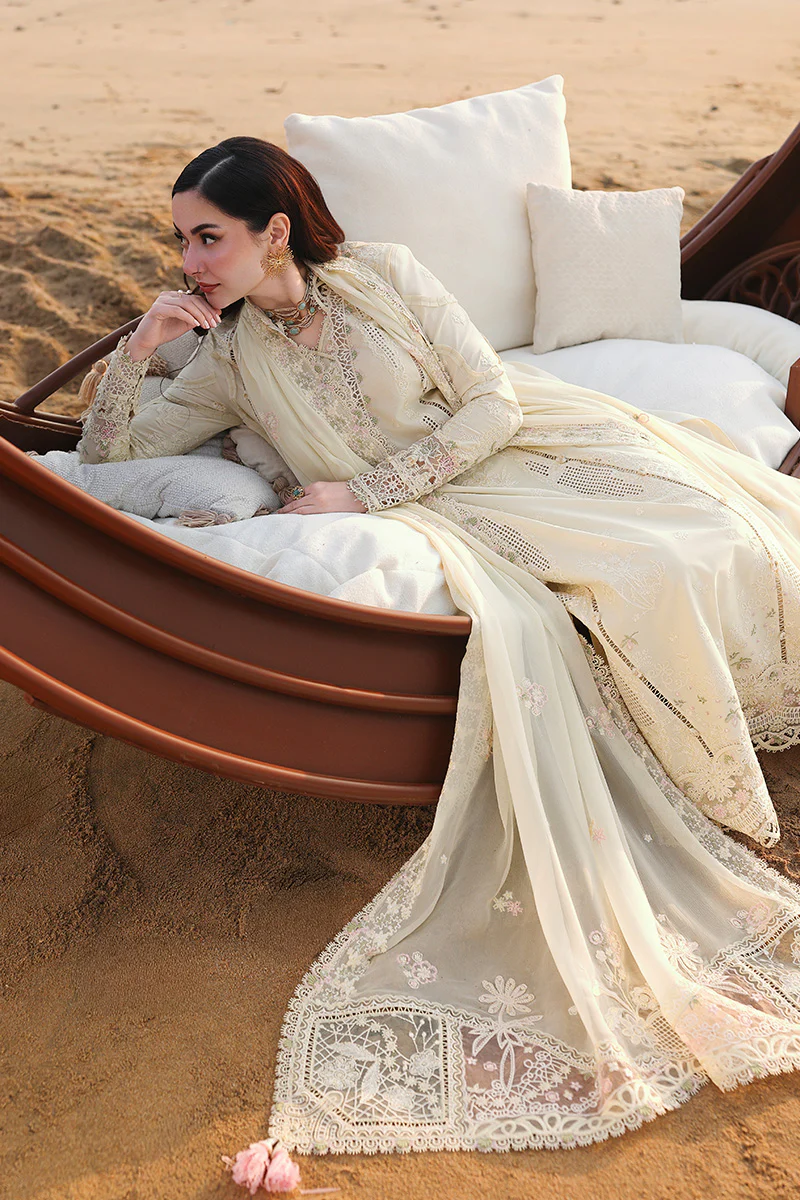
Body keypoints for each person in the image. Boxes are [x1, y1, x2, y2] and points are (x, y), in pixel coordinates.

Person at [77, 136, 800, 1155]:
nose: (189, 262)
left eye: (207, 238)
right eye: (181, 241)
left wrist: (368, 491)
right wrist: (141, 350)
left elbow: (492, 399)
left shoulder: (386, 274)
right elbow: (109, 452)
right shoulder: (230, 360)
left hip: (520, 446)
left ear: (273, 232)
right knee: (650, 573)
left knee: (713, 528)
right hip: (454, 512)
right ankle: (716, 790)